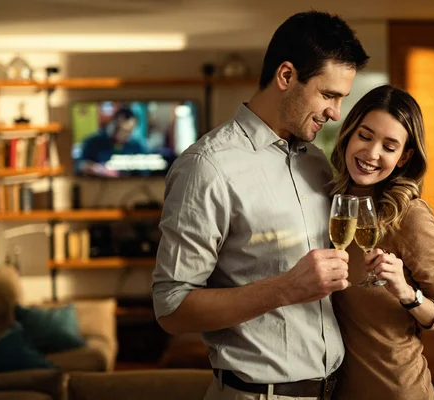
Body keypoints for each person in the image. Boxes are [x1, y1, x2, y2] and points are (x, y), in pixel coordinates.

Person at [152, 10, 369, 400]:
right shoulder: (208, 167)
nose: (336, 112)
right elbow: (171, 308)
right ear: (286, 76)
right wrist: (285, 289)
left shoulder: (316, 160)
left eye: (341, 99)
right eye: (328, 94)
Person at [329, 85, 434, 399]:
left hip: (398, 391)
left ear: (404, 157)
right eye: (364, 136)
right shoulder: (331, 203)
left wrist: (407, 294)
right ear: (349, 134)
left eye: (389, 146)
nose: (371, 153)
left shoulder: (410, 217)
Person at [78, 106, 147, 177]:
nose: (124, 135)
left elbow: (145, 171)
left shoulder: (135, 146)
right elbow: (80, 166)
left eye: (128, 132)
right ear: (112, 124)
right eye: (120, 129)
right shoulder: (92, 142)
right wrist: (99, 169)